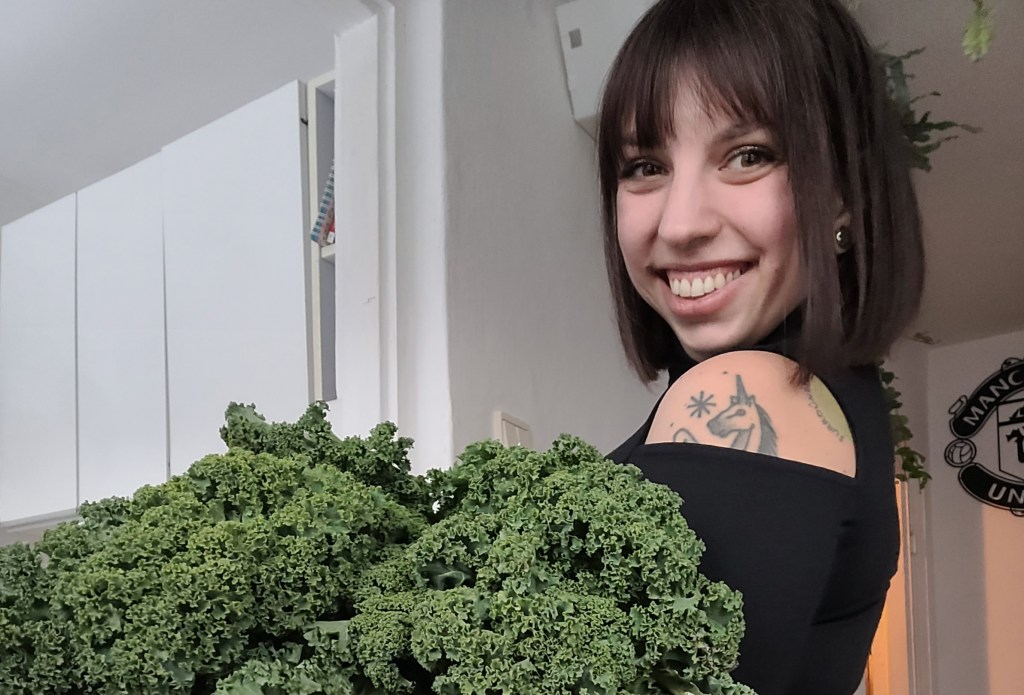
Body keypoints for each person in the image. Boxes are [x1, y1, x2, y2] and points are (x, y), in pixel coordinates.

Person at [599, 1, 924, 693]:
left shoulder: (749, 394)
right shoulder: (834, 397)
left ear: (840, 192)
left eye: (748, 156)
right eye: (645, 166)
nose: (680, 224)